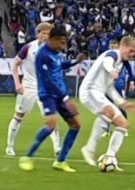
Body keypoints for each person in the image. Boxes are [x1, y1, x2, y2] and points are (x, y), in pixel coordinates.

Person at [19, 26, 87, 172]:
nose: (64, 46)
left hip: (60, 94)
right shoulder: (43, 54)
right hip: (48, 95)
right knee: (52, 124)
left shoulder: (56, 52)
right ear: (53, 39)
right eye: (62, 43)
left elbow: (59, 66)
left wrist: (75, 61)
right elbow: (48, 80)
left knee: (76, 125)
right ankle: (28, 157)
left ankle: (60, 161)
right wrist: (66, 99)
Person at [80, 36, 135, 169]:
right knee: (109, 113)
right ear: (122, 47)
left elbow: (109, 88)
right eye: (131, 51)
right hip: (89, 91)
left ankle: (110, 156)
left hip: (100, 93)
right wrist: (111, 70)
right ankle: (90, 149)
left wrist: (122, 103)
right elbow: (107, 62)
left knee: (123, 124)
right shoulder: (113, 54)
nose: (132, 55)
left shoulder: (121, 64)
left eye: (134, 53)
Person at [6, 22, 62, 156]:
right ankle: (9, 146)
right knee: (19, 116)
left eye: (48, 33)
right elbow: (15, 64)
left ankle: (57, 148)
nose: (46, 36)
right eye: (43, 33)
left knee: (52, 117)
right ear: (38, 34)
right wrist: (17, 83)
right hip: (29, 87)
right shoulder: (28, 48)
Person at [108, 40, 135, 137]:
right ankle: (107, 129)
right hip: (107, 86)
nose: (114, 47)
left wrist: (131, 82)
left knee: (121, 106)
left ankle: (124, 127)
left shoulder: (122, 58)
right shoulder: (107, 57)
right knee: (107, 107)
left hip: (119, 85)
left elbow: (130, 70)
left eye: (115, 46)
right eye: (112, 46)